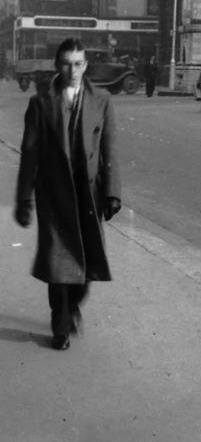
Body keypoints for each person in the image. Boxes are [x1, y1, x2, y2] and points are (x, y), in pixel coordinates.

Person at [13, 38, 121, 351]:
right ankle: (59, 326)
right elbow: (29, 153)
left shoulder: (101, 100)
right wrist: (23, 199)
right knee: (58, 266)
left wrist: (112, 192)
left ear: (85, 65)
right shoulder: (40, 102)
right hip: (53, 195)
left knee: (85, 266)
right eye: (65, 63)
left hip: (88, 194)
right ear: (56, 65)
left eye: (78, 63)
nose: (72, 70)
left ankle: (73, 305)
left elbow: (109, 149)